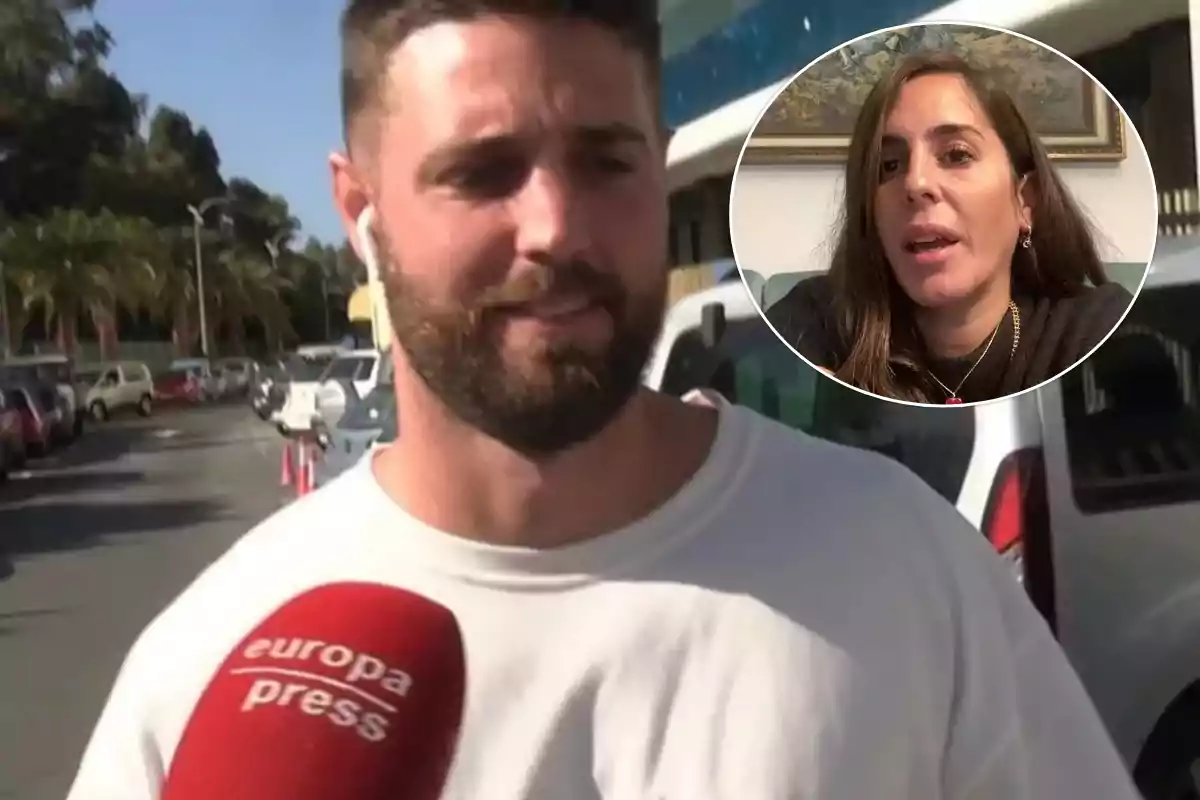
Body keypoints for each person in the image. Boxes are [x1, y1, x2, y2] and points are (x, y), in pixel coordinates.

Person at [66, 4, 1141, 798]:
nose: (556, 229)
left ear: (660, 169)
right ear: (362, 211)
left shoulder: (903, 566)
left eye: (605, 162)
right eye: (482, 171)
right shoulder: (206, 663)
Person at [765, 51, 1136, 404]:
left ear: (1026, 201)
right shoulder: (813, 318)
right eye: (889, 166)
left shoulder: (1093, 325)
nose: (915, 183)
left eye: (957, 155)